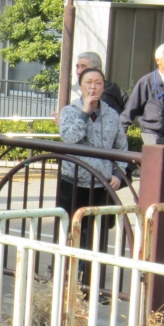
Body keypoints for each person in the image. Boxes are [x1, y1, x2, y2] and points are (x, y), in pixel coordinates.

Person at [58, 67, 129, 254]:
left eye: (98, 83)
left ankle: (89, 269)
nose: (93, 87)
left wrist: (118, 174)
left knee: (97, 234)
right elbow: (70, 138)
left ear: (103, 87)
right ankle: (67, 267)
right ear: (80, 86)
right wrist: (85, 112)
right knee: (70, 231)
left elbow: (121, 147)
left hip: (101, 184)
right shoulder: (69, 111)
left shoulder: (112, 114)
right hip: (73, 182)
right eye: (88, 82)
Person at [122, 43, 164, 146]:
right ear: (158, 60)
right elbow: (132, 107)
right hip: (151, 132)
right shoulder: (146, 81)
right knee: (153, 156)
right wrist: (123, 128)